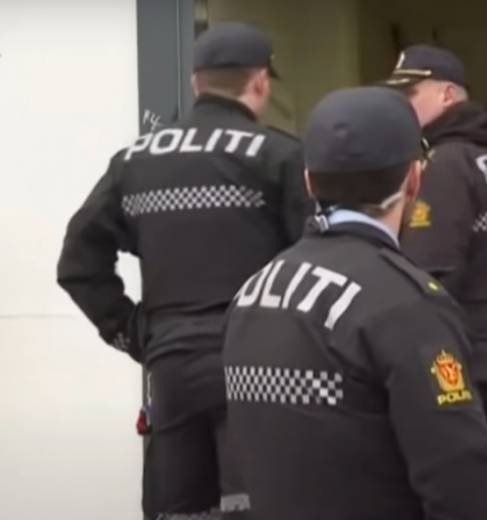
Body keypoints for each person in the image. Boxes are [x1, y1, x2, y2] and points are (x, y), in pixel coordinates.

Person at [56, 22, 309, 519]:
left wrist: (135, 332)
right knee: (259, 504)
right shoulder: (280, 156)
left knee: (178, 508)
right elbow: (317, 259)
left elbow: (78, 262)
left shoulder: (134, 162)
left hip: (172, 366)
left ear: (196, 83)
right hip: (260, 365)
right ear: (260, 83)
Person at [222, 86, 487, 520]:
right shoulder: (405, 305)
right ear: (415, 180)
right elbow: (462, 478)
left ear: (309, 182)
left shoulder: (252, 294)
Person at [383, 44, 487, 518]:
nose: (402, 106)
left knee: (457, 492)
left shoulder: (446, 163)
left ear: (448, 94)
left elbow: (429, 274)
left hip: (463, 360)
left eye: (411, 94)